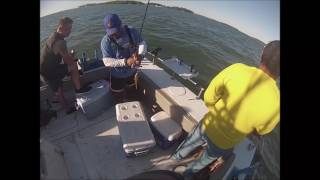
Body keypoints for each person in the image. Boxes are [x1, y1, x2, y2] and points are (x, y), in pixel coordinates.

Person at [156, 40, 280, 179]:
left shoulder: (237, 69)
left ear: (262, 54)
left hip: (208, 125)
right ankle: (186, 174)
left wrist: (214, 112)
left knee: (189, 144)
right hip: (225, 143)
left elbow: (209, 97)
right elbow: (262, 130)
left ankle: (174, 159)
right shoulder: (277, 101)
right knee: (204, 160)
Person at [40, 17, 91, 114]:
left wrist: (69, 56)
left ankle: (56, 97)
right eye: (68, 29)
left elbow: (60, 56)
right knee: (73, 66)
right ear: (61, 27)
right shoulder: (60, 42)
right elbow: (69, 62)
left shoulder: (53, 36)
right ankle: (78, 90)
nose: (70, 31)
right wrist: (71, 56)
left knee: (58, 87)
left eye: (70, 28)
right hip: (49, 72)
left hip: (44, 70)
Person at [100, 13, 147, 102]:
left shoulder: (132, 31)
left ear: (121, 24)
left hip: (132, 71)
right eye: (111, 32)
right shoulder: (105, 41)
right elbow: (106, 61)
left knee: (132, 89)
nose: (114, 34)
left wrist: (140, 55)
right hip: (116, 74)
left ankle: (131, 97)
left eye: (116, 30)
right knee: (118, 94)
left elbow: (142, 43)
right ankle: (120, 101)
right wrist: (125, 62)